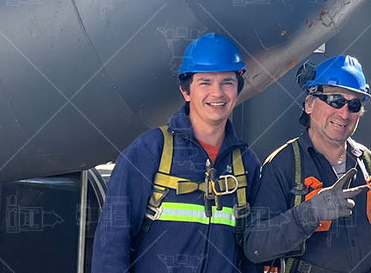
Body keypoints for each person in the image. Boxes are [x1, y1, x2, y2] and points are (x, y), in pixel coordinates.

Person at [92, 32, 261, 273]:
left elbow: (250, 255)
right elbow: (112, 242)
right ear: (186, 91)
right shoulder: (151, 150)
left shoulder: (246, 165)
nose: (218, 93)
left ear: (237, 89)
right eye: (205, 82)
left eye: (227, 82)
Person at [243, 54, 371, 273]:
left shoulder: (369, 164)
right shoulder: (283, 165)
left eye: (354, 105)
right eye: (335, 101)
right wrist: (309, 213)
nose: (344, 113)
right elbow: (255, 247)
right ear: (309, 103)